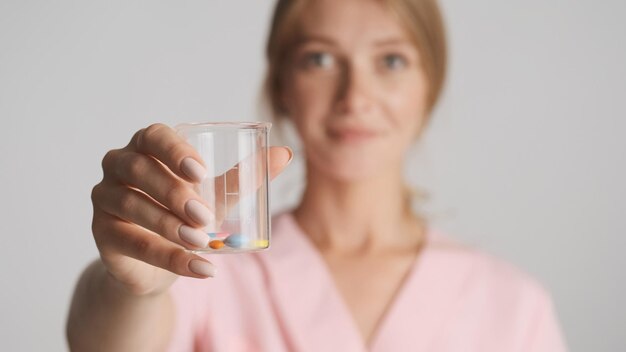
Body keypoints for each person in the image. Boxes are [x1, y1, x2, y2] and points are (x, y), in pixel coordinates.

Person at [66, 0, 568, 350]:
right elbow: (104, 344)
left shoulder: (515, 306)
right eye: (320, 59)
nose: (355, 97)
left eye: (391, 60)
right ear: (282, 84)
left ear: (429, 86)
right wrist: (131, 288)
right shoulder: (209, 270)